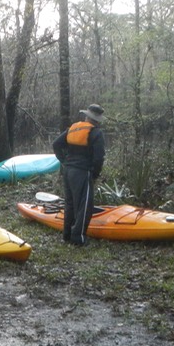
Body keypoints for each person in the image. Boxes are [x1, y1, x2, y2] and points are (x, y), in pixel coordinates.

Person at [52, 104, 106, 246]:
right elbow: (99, 158)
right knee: (84, 206)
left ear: (87, 116)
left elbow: (56, 144)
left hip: (68, 171)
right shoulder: (96, 133)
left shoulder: (72, 128)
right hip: (82, 172)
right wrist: (94, 174)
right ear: (98, 119)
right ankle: (78, 238)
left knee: (70, 204)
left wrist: (64, 161)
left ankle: (67, 235)